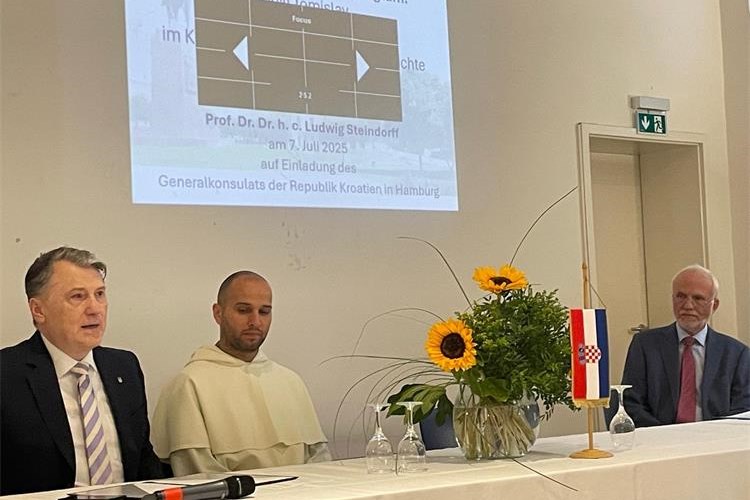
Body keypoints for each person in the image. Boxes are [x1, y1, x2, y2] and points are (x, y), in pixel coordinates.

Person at [0, 247, 164, 495]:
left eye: (100, 294)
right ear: (38, 310)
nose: (95, 308)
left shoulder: (124, 366)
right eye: (78, 296)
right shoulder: (7, 373)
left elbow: (143, 461)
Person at [152, 271, 330, 476]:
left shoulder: (290, 381)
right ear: (218, 313)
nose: (255, 321)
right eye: (243, 310)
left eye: (264, 312)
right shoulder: (189, 384)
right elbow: (199, 472)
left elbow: (319, 459)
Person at [621, 264, 750, 427]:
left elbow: (742, 410)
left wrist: (711, 435)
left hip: (715, 437)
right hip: (658, 435)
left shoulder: (737, 354)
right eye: (680, 296)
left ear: (714, 305)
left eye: (698, 298)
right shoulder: (645, 345)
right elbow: (631, 402)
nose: (688, 305)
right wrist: (664, 435)